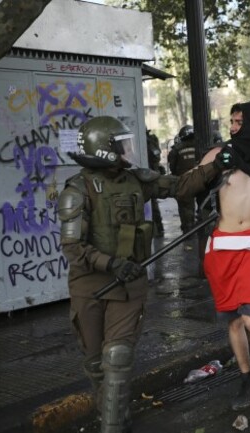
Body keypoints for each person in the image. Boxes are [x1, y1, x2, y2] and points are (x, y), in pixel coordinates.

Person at [57, 116, 178, 432]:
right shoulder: (76, 190)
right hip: (90, 285)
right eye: (121, 145)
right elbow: (72, 247)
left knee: (118, 356)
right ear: (103, 151)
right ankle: (115, 412)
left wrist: (216, 168)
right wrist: (111, 264)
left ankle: (111, 426)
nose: (128, 150)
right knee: (96, 362)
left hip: (129, 284)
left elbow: (178, 185)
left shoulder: (135, 178)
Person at [176, 102, 250, 410]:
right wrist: (215, 167)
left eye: (239, 121)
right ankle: (247, 378)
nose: (232, 126)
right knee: (233, 321)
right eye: (231, 121)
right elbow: (185, 187)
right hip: (222, 246)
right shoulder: (218, 155)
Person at [168, 124, 199, 234]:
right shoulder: (200, 145)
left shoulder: (176, 149)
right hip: (200, 178)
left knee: (185, 205)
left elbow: (172, 167)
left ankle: (188, 228)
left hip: (184, 181)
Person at [146, 129, 165, 236]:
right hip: (151, 172)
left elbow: (155, 156)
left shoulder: (150, 141)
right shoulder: (151, 140)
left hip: (150, 174)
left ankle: (158, 229)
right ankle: (158, 229)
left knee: (152, 203)